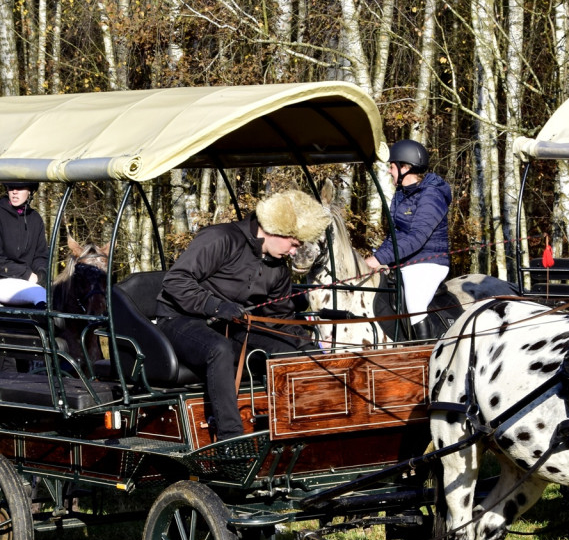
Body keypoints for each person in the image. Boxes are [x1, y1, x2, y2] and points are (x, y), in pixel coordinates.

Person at [156, 189, 329, 441]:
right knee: (219, 349)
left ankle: (294, 428)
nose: (294, 252)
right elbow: (176, 281)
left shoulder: (277, 267)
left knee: (289, 349)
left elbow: (280, 318)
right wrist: (215, 305)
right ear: (275, 229)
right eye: (294, 243)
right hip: (180, 321)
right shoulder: (221, 238)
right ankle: (231, 439)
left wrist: (309, 350)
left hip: (231, 326)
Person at [364, 139, 451, 339]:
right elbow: (394, 235)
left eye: (392, 167)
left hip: (428, 262)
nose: (389, 171)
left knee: (415, 305)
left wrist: (380, 259)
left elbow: (417, 237)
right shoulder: (401, 193)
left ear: (405, 167)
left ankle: (425, 353)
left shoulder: (432, 195)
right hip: (406, 260)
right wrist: (378, 258)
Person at [0, 181, 49, 305]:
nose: (14, 191)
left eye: (20, 188)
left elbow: (40, 255)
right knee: (41, 295)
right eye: (11, 188)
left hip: (28, 280)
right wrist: (27, 274)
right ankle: (42, 325)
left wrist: (42, 274)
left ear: (30, 191)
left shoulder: (35, 219)